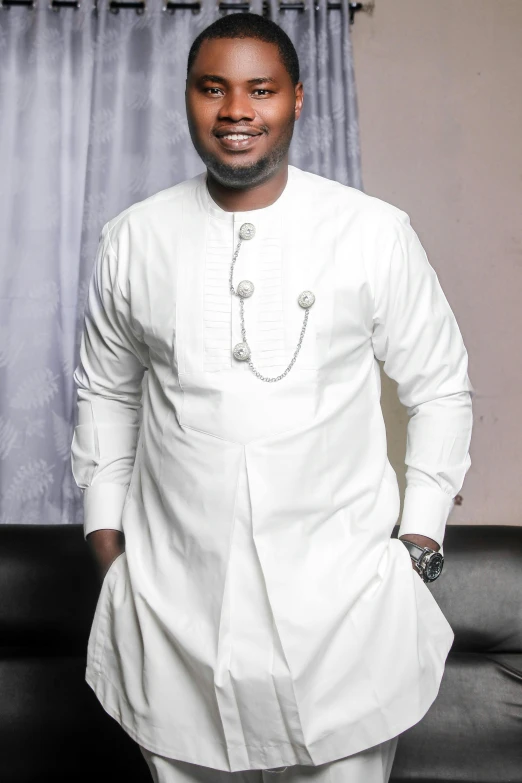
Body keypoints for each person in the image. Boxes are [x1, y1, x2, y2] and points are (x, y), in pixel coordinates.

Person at [70, 12, 474, 783]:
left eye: (261, 89)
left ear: (297, 99)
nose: (236, 111)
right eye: (212, 88)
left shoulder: (372, 232)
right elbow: (105, 394)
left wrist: (420, 537)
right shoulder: (134, 238)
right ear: (187, 97)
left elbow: (443, 389)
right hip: (174, 616)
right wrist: (105, 536)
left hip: (342, 620)